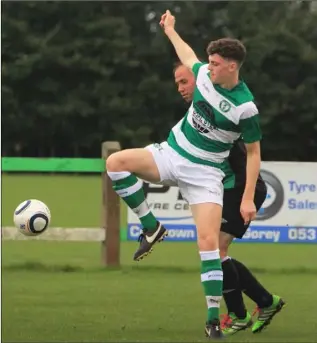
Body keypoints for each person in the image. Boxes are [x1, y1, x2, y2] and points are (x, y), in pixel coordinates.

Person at [107, 9, 260, 339]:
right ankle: (152, 227)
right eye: (210, 62)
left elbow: (253, 153)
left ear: (232, 66)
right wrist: (171, 31)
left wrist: (247, 197)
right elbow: (188, 55)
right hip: (171, 154)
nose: (209, 67)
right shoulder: (204, 73)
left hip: (206, 175)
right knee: (115, 164)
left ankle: (211, 319)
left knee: (208, 246)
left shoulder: (245, 108)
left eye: (216, 63)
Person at [174, 63, 285, 335]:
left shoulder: (222, 109)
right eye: (177, 83)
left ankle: (240, 313)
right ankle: (264, 302)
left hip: (242, 189)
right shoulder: (200, 116)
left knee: (217, 251)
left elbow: (251, 154)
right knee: (217, 251)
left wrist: (247, 198)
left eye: (183, 81)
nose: (180, 88)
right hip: (229, 190)